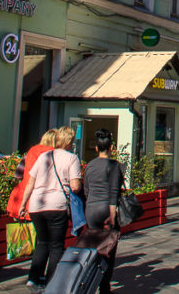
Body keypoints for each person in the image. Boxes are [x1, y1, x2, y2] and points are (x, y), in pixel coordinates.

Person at [17, 126, 82, 290]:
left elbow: (30, 181)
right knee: (56, 246)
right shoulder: (72, 158)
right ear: (69, 142)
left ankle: (33, 278)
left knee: (42, 242)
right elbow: (75, 186)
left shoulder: (44, 156)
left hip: (36, 205)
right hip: (56, 205)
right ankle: (51, 281)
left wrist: (23, 204)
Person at [82, 128, 122, 294]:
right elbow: (114, 192)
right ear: (111, 148)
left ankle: (90, 281)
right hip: (107, 209)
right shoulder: (114, 166)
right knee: (109, 249)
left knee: (94, 247)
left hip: (91, 209)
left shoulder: (89, 166)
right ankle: (104, 287)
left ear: (97, 148)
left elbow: (86, 190)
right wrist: (112, 217)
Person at [6, 129, 57, 217]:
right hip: (45, 200)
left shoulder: (31, 152)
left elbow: (18, 174)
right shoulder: (56, 155)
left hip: (23, 197)